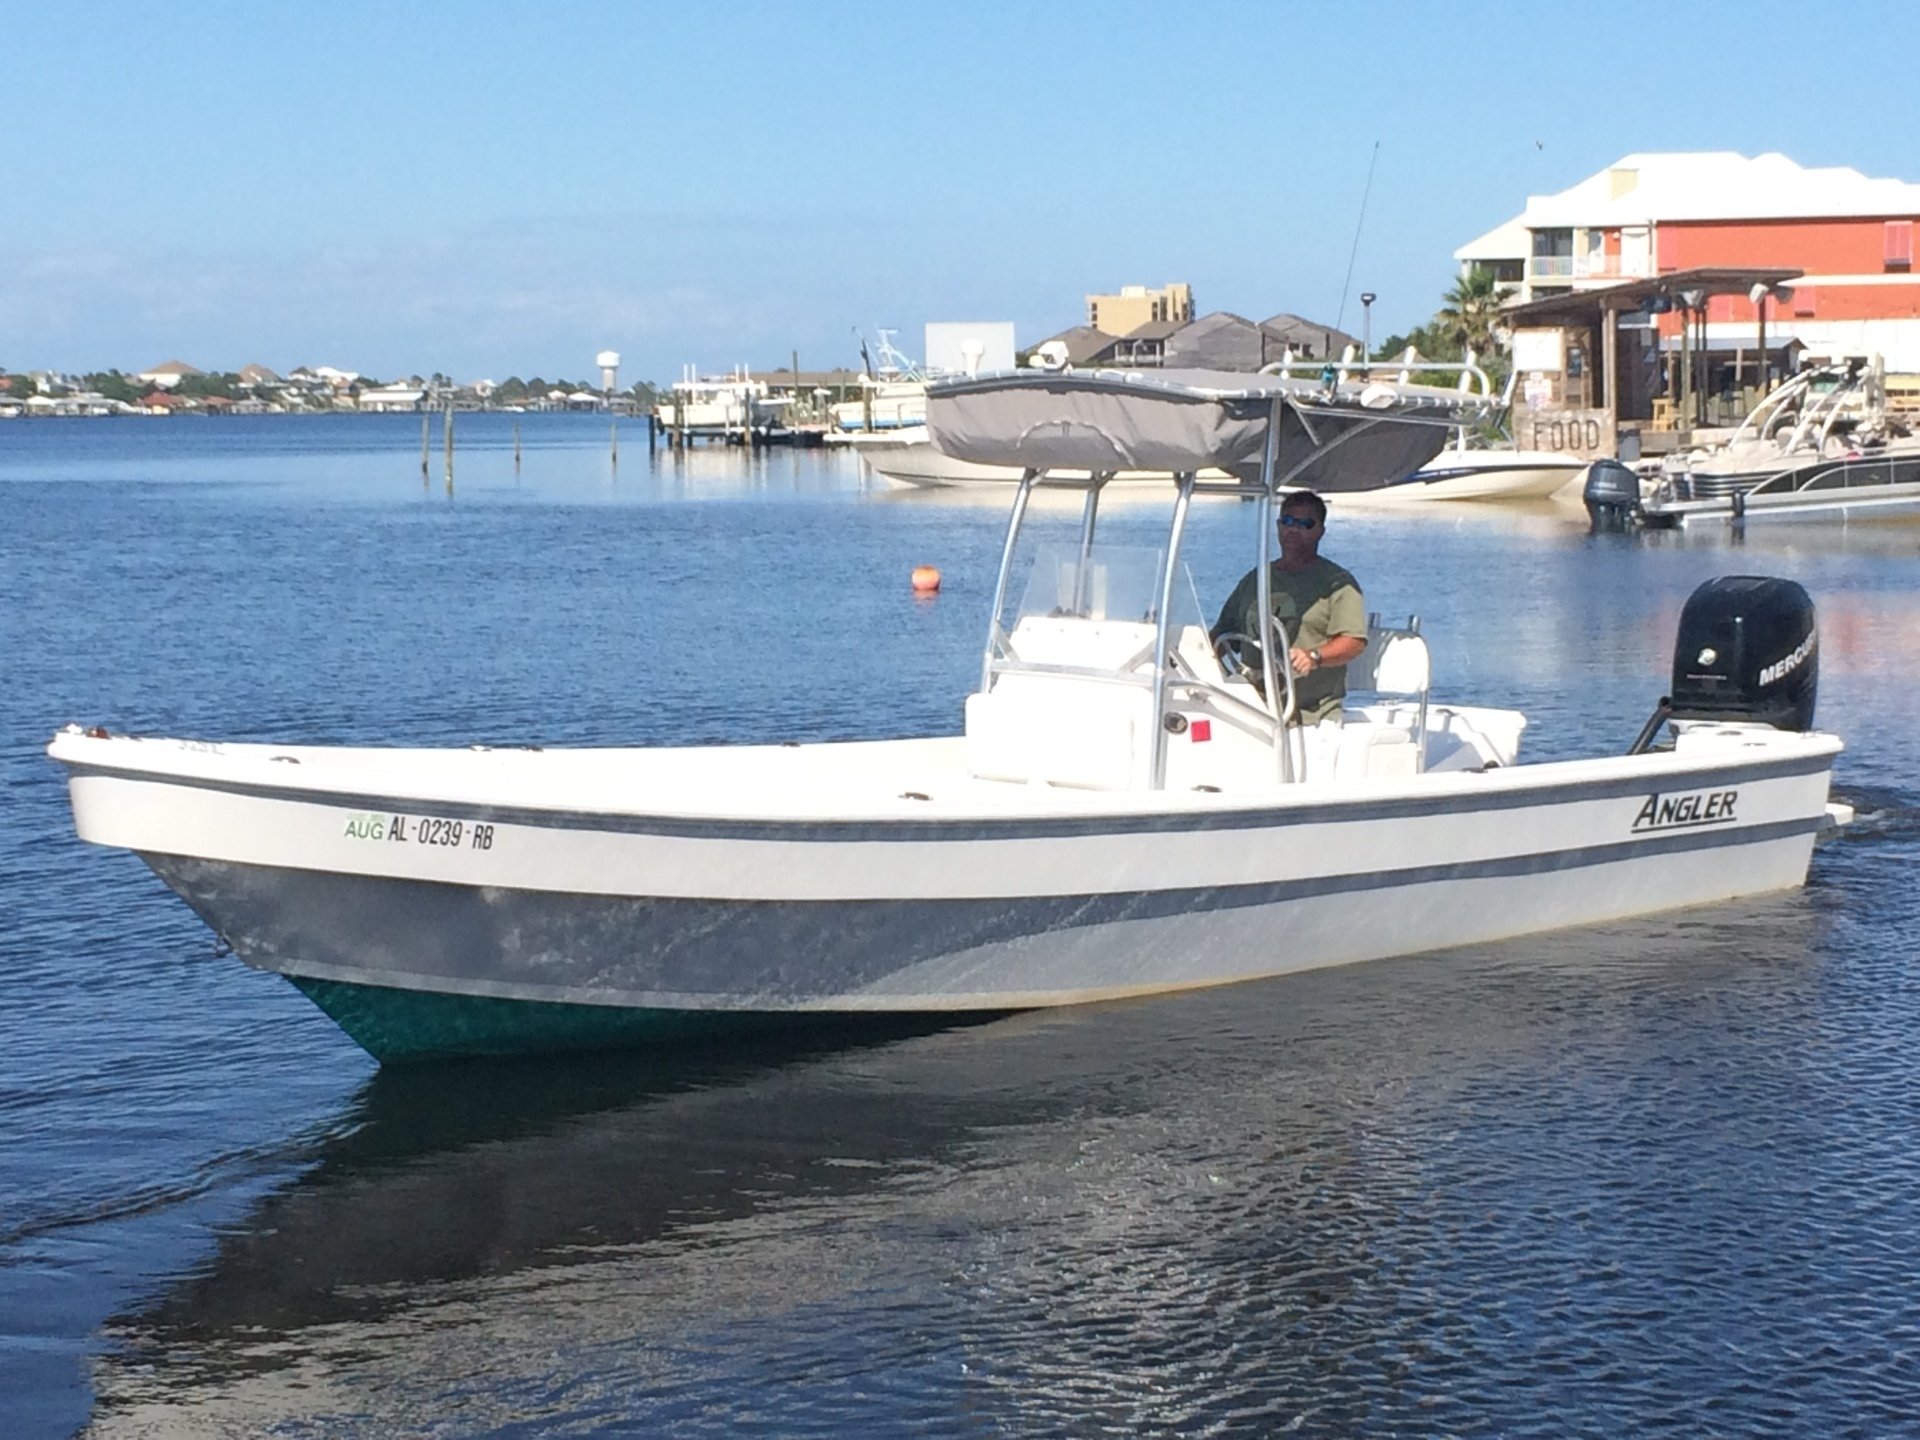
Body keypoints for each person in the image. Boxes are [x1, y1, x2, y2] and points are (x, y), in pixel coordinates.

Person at [1210, 490, 1367, 728]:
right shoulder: (1257, 579)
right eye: (1288, 521)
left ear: (1320, 532)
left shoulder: (1337, 583)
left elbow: (1354, 641)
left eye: (1305, 524)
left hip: (1311, 717)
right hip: (1251, 709)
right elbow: (1222, 636)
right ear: (1278, 526)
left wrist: (1314, 657)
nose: (1294, 529)